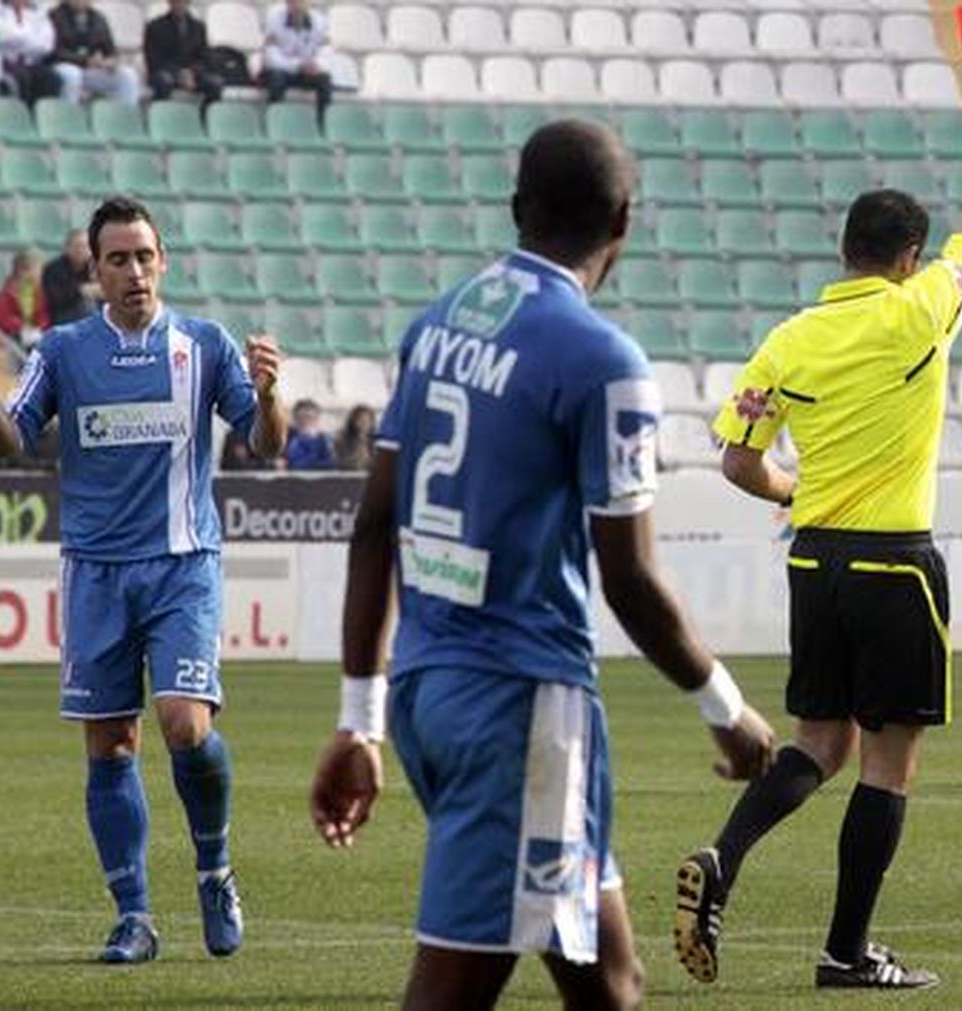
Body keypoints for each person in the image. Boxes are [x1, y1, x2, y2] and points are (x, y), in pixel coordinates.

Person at [308, 119, 776, 1010]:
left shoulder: (436, 325)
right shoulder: (605, 361)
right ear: (625, 222)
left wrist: (358, 717)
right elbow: (630, 578)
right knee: (454, 986)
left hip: (427, 691)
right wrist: (727, 710)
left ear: (517, 207)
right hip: (519, 708)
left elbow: (374, 527)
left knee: (608, 982)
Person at [674, 35, 962, 992]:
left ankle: (726, 857)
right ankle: (846, 951)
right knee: (887, 764)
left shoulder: (791, 336)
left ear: (843, 251)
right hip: (896, 561)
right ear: (908, 256)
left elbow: (738, 460)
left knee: (820, 740)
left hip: (813, 558)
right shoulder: (920, 310)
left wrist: (797, 492)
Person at [0, 196, 287, 964]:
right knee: (109, 746)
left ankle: (214, 868)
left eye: (144, 255)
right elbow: (10, 441)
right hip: (96, 573)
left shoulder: (204, 344)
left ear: (162, 260)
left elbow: (262, 443)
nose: (133, 271)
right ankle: (133, 916)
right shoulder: (65, 349)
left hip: (182, 566)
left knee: (183, 724)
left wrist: (268, 395)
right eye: (117, 259)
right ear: (95, 271)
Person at [46, 0, 140, 106]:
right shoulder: (54, 17)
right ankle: (68, 117)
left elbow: (109, 50)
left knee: (127, 75)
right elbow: (54, 51)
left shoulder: (98, 19)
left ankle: (125, 118)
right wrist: (85, 60)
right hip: (61, 66)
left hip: (89, 69)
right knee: (72, 74)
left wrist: (111, 62)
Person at [260, 0, 330, 125]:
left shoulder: (320, 21)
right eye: (293, 2)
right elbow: (271, 57)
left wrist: (317, 64)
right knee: (277, 78)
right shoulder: (273, 17)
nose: (297, 5)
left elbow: (325, 50)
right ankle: (275, 123)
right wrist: (298, 65)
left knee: (325, 80)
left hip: (305, 70)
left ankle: (323, 124)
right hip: (280, 70)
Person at [144, 0, 221, 108]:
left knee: (215, 83)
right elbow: (153, 60)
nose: (180, 5)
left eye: (183, 2)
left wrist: (191, 72)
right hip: (166, 71)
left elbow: (205, 58)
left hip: (192, 74)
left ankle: (204, 119)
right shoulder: (155, 26)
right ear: (170, 3)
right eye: (176, 2)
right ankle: (159, 117)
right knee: (164, 81)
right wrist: (179, 73)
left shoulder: (199, 27)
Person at [0, 0, 60, 105]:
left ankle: (41, 116)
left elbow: (46, 44)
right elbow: (1, 38)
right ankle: (23, 115)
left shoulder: (37, 13)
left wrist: (21, 42)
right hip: (5, 63)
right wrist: (25, 41)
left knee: (52, 78)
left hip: (30, 62)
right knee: (22, 78)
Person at [0, 248, 50, 348]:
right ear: (22, 271)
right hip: (10, 335)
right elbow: (2, 318)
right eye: (38, 269)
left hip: (32, 333)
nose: (40, 273)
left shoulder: (39, 290)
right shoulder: (8, 290)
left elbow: (43, 315)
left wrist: (39, 328)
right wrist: (22, 327)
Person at [44, 229, 99, 326]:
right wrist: (81, 291)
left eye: (85, 246)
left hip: (93, 313)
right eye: (77, 246)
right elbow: (56, 299)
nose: (81, 250)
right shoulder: (54, 269)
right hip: (62, 315)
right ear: (67, 248)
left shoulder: (96, 266)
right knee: (87, 307)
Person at [283, 397, 333, 470]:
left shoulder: (325, 441)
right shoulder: (287, 439)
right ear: (295, 419)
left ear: (316, 420)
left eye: (309, 418)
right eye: (300, 418)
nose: (305, 422)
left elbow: (330, 464)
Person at [333, 404, 374, 471]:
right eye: (360, 419)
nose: (364, 422)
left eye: (368, 420)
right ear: (353, 421)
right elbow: (339, 462)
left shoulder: (376, 440)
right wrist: (358, 459)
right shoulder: (343, 439)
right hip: (350, 477)